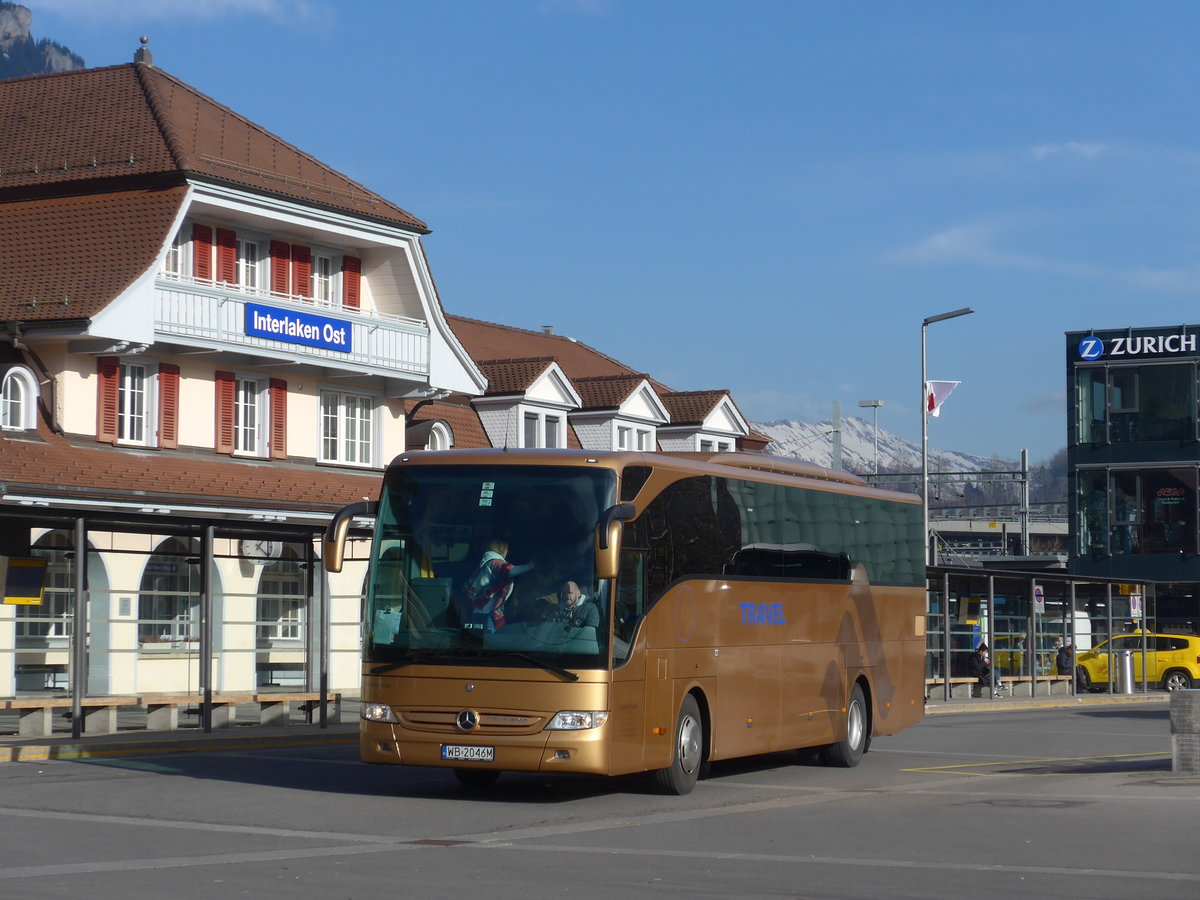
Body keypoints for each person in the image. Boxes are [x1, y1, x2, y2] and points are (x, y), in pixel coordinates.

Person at [463, 540, 533, 631]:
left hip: (478, 611)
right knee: (489, 640)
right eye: (506, 550)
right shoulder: (495, 563)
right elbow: (509, 570)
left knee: (477, 640)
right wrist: (529, 566)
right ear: (501, 550)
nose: (507, 552)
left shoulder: (485, 562)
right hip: (488, 614)